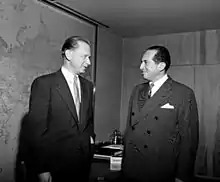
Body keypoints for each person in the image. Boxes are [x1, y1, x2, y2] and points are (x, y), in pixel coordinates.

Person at [121, 46, 199, 182]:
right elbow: (129, 129)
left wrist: (182, 175)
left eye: (145, 62)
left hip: (160, 169)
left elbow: (189, 139)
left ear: (161, 66)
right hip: (131, 167)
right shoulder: (137, 90)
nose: (140, 67)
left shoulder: (183, 93)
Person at [26, 36, 96, 182]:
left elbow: (88, 122)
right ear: (69, 54)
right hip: (55, 166)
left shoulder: (88, 86)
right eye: (84, 57)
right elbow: (36, 132)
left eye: (89, 57)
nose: (88, 62)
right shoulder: (44, 84)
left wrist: (90, 143)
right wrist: (42, 169)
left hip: (83, 165)